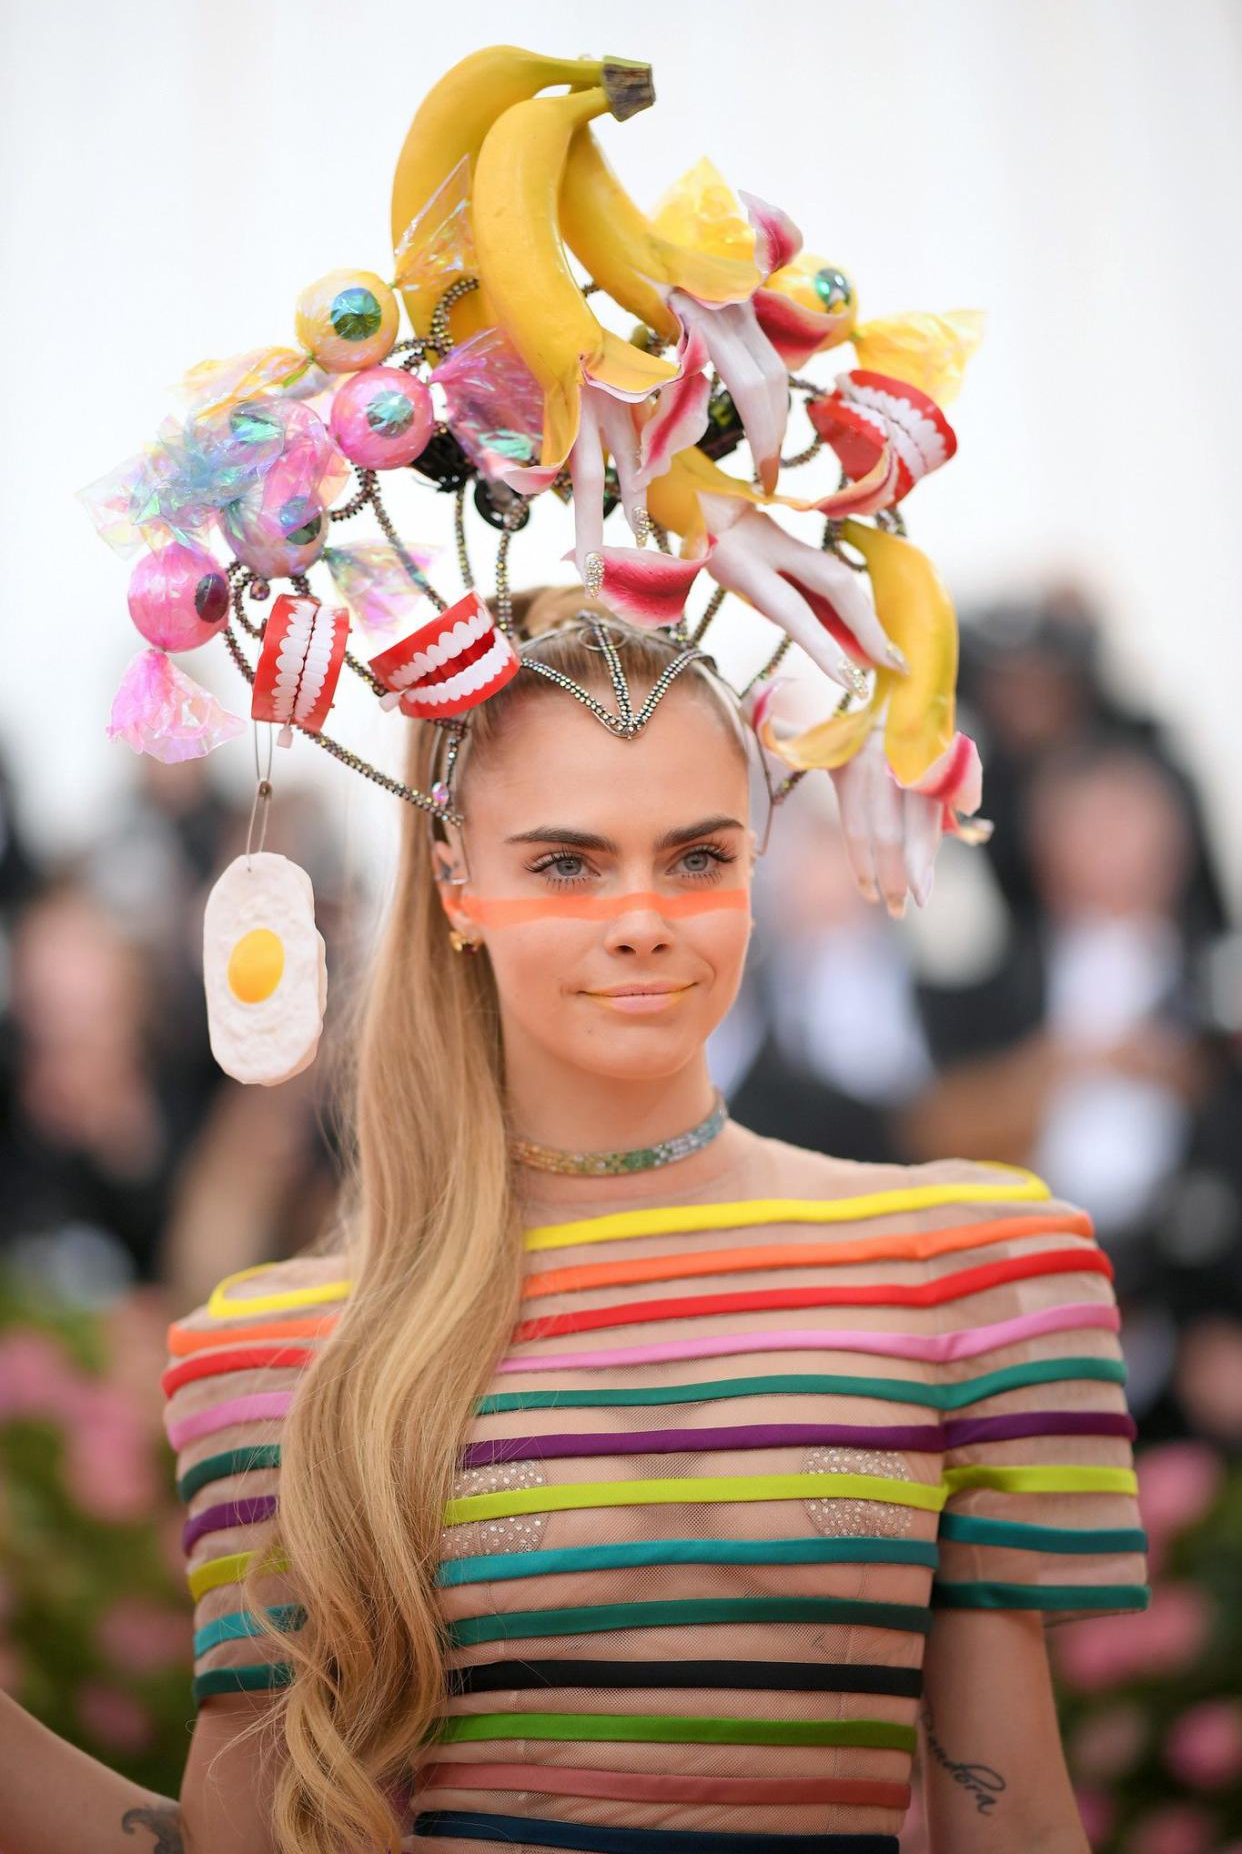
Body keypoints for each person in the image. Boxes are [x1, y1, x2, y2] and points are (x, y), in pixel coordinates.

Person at [1, 594, 1149, 1854]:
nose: (644, 915)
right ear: (454, 881)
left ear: (758, 865)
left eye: (698, 857)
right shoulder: (285, 1356)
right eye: (567, 862)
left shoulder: (963, 1271)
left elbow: (1015, 1821)